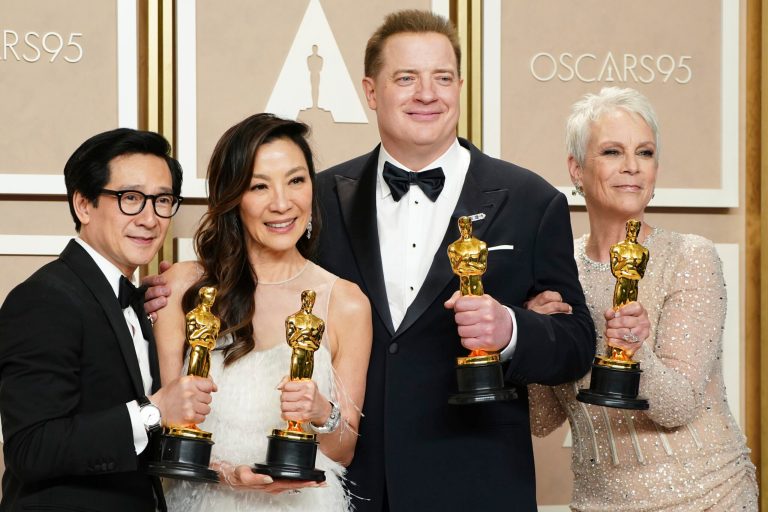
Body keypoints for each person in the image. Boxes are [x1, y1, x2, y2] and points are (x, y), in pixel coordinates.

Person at [314, 9, 596, 511]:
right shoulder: (318, 198)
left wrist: (511, 330)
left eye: (442, 78)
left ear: (460, 86)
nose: (428, 94)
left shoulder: (531, 200)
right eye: (406, 78)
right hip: (348, 485)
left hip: (477, 481)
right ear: (372, 91)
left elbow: (576, 345)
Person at [526, 86, 758, 510]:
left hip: (706, 496)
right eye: (612, 152)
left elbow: (678, 406)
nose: (632, 167)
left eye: (645, 153)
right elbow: (543, 420)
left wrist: (636, 352)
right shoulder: (556, 271)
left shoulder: (690, 256)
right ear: (576, 169)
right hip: (598, 500)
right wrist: (534, 339)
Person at [154, 113, 372, 511]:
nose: (282, 203)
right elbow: (169, 430)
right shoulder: (183, 288)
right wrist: (227, 473)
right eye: (259, 186)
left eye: (296, 180)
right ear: (233, 196)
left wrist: (322, 412)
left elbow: (343, 452)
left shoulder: (345, 301)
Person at [0, 128, 216, 511]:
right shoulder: (45, 298)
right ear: (83, 205)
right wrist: (154, 412)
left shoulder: (140, 301)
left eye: (162, 200)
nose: (150, 218)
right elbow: (31, 448)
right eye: (130, 198)